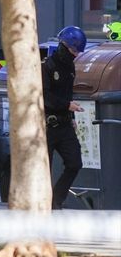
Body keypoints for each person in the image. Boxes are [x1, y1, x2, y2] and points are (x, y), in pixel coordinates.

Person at [42, 26, 86, 210]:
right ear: (63, 46)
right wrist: (66, 106)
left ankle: (56, 199)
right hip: (47, 124)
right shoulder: (47, 67)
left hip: (64, 123)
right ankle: (43, 203)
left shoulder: (70, 68)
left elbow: (67, 94)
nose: (75, 55)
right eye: (73, 50)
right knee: (45, 169)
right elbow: (43, 96)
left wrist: (71, 115)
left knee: (75, 162)